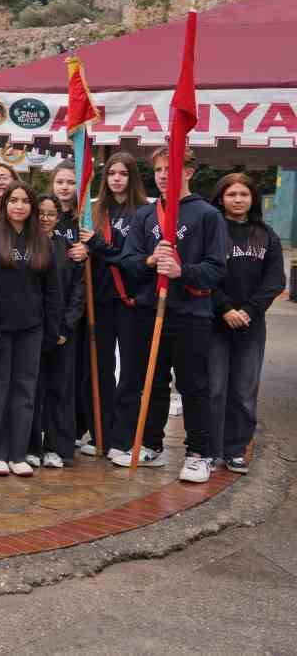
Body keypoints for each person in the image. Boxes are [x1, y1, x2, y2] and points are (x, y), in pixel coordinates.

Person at [114, 147, 227, 483]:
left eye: (172, 168)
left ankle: (198, 453)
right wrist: (150, 261)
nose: (164, 175)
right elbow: (129, 261)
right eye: (159, 169)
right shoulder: (146, 216)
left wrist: (182, 270)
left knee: (193, 384)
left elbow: (217, 268)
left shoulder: (207, 215)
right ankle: (151, 444)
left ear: (189, 172)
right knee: (154, 381)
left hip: (191, 312)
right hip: (151, 310)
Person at [0, 182, 60, 477]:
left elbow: (52, 291)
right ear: (4, 204)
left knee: (25, 391)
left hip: (31, 330)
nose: (19, 206)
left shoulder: (43, 242)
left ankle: (18, 453)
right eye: (14, 200)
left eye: (25, 201)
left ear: (32, 207)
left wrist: (50, 329)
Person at [208, 173, 284, 474]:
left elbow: (275, 280)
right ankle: (211, 450)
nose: (238, 199)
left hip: (251, 327)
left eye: (244, 194)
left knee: (243, 390)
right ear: (221, 198)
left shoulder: (266, 235)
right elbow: (203, 274)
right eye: (231, 194)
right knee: (214, 389)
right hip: (216, 323)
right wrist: (225, 308)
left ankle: (236, 450)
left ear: (252, 198)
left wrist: (249, 311)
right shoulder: (212, 231)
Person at [81, 152, 146, 457]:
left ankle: (123, 437)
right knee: (100, 370)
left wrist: (97, 245)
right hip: (100, 302)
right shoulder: (94, 212)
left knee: (130, 372)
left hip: (130, 301)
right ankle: (101, 433)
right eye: (111, 173)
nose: (117, 178)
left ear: (132, 177)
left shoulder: (144, 213)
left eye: (123, 173)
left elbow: (134, 262)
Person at [29, 193, 86, 469]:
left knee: (60, 389)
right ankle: (30, 445)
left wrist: (66, 326)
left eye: (51, 214)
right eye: (40, 213)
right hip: (30, 331)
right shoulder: (23, 246)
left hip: (63, 331)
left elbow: (78, 289)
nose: (45, 219)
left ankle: (57, 447)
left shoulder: (68, 249)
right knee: (32, 390)